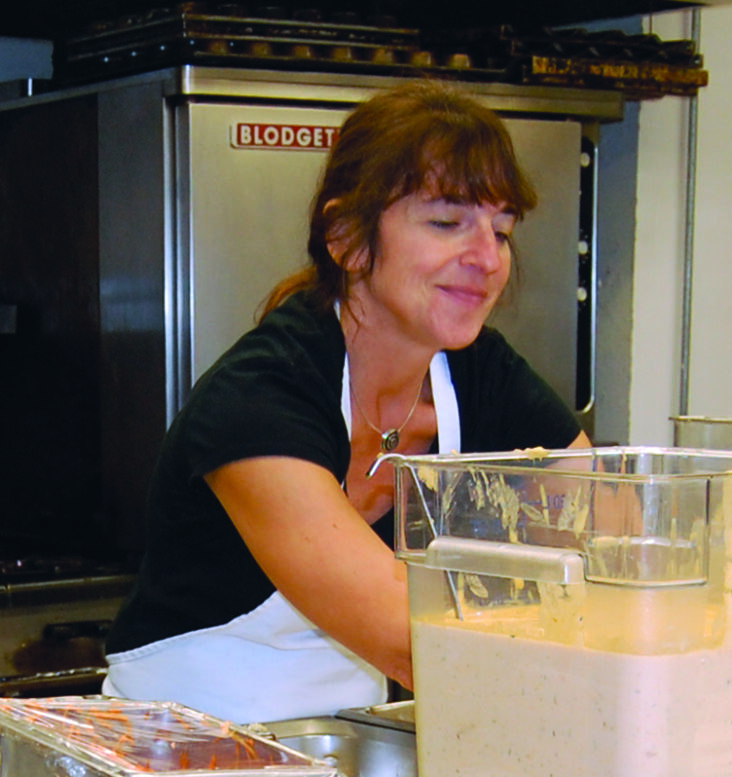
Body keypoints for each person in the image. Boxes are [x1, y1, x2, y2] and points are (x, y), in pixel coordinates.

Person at [102, 79, 591, 724]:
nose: (487, 258)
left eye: (500, 230)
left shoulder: (481, 372)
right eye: (447, 222)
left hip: (337, 738)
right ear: (349, 239)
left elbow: (614, 525)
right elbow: (410, 639)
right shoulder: (259, 394)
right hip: (181, 742)